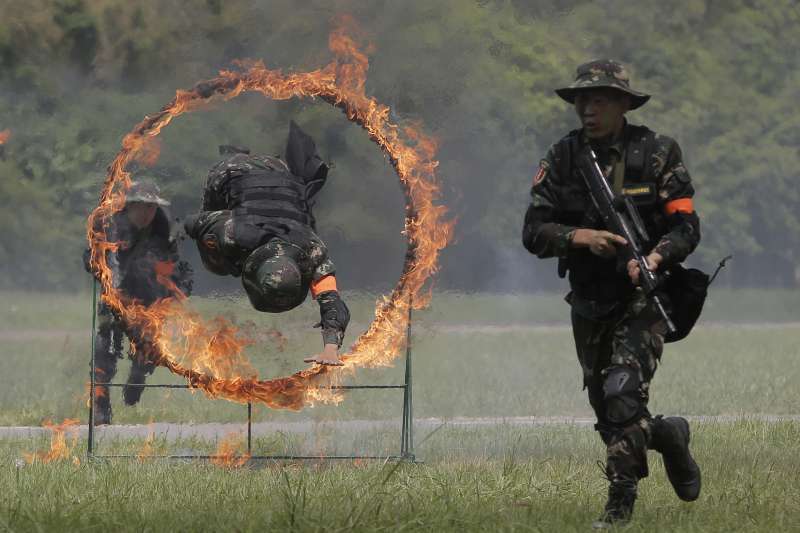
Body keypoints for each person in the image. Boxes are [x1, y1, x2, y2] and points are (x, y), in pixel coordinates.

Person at [522, 60, 702, 528]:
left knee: (622, 393)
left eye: (600, 98)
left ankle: (619, 505)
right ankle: (667, 434)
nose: (589, 108)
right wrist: (582, 238)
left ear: (624, 104)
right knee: (609, 414)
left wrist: (656, 258)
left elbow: (687, 226)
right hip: (589, 300)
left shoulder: (657, 152)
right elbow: (533, 231)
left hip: (645, 297)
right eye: (582, 99)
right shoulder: (562, 159)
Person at [184, 121, 350, 366]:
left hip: (280, 171)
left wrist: (330, 350)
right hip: (232, 170)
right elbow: (192, 222)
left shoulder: (313, 249)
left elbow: (332, 301)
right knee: (215, 258)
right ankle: (237, 153)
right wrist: (209, 243)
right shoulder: (230, 231)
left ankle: (241, 152)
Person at [84, 179, 193, 425]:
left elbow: (175, 266)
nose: (147, 212)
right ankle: (100, 406)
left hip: (149, 298)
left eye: (151, 207)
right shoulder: (112, 225)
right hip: (115, 296)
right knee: (105, 351)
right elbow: (91, 256)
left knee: (147, 350)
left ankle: (138, 376)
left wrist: (175, 291)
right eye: (141, 206)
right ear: (130, 206)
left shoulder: (164, 227)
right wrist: (99, 268)